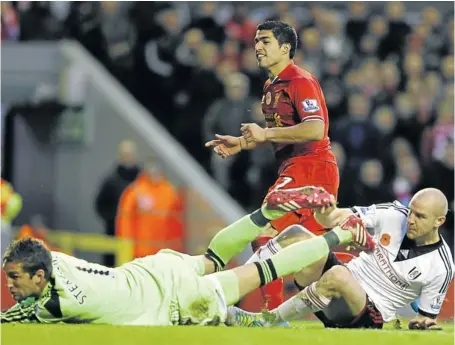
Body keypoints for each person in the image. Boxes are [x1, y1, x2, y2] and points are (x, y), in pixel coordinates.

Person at [0, 186, 372, 325]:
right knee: (214, 257)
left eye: (14, 278)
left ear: (37, 277)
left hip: (177, 301)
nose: (9, 286)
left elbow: (18, 315)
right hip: (151, 270)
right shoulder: (53, 258)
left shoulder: (50, 306)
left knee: (260, 272)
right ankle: (265, 215)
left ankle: (340, 233)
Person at [205, 21, 340, 310]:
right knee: (314, 255)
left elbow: (315, 129)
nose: (257, 47)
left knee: (263, 228)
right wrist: (242, 143)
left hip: (310, 166)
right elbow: (279, 132)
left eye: (265, 41)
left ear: (286, 47)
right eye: (255, 41)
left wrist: (265, 133)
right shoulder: (270, 86)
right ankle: (366, 305)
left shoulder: (300, 81)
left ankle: (270, 311)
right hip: (299, 167)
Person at [227, 188, 454, 330]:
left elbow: (427, 318)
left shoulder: (442, 266)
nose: (411, 219)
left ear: (439, 221)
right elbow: (333, 220)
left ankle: (266, 321)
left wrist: (422, 324)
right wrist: (324, 209)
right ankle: (226, 295)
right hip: (340, 284)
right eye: (411, 210)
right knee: (295, 234)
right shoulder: (394, 214)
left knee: (338, 275)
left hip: (367, 314)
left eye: (420, 216)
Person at [116, 157, 182, 258]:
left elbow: (176, 222)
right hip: (140, 252)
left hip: (163, 253)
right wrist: (127, 245)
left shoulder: (170, 192)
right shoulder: (136, 191)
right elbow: (125, 219)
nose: (155, 173)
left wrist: (175, 248)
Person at [94, 140, 140, 266]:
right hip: (114, 234)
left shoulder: (141, 181)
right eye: (125, 154)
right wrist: (116, 218)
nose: (127, 157)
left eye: (130, 154)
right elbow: (100, 205)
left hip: (138, 238)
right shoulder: (111, 181)